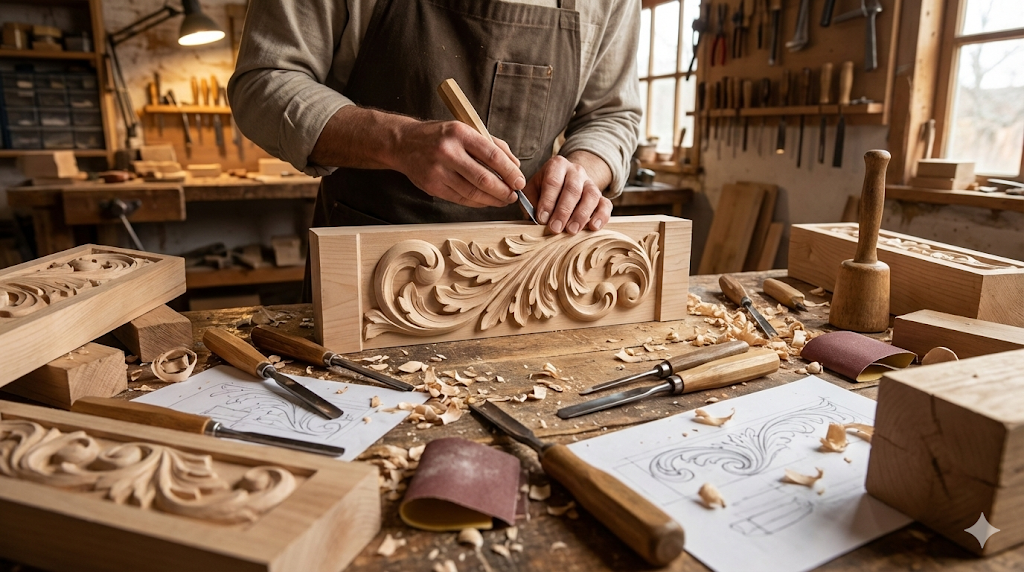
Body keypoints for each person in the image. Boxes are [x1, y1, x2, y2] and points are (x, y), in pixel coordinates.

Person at [229, 0, 641, 238]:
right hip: (367, 264)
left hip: (528, 264)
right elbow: (264, 82)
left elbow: (612, 113)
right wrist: (397, 141)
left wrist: (585, 169)